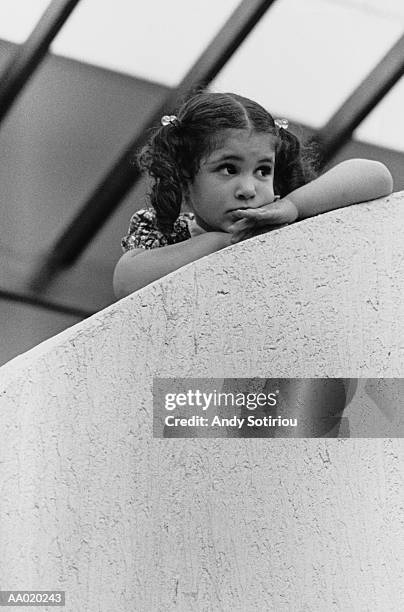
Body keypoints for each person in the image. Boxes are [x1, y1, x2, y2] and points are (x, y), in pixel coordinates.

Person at [113, 91, 393, 299]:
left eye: (262, 170)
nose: (248, 189)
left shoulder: (283, 218)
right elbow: (126, 282)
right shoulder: (167, 231)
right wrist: (221, 243)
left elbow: (377, 176)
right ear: (185, 178)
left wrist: (294, 205)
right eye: (229, 169)